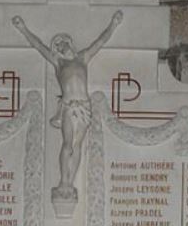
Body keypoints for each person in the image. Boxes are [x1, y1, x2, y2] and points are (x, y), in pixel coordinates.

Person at [11, 11, 123, 205]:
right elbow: (38, 45)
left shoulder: (83, 58)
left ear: (70, 43)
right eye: (57, 45)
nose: (61, 45)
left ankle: (70, 182)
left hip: (84, 107)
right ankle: (63, 179)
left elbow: (100, 42)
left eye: (63, 42)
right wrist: (23, 29)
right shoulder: (58, 63)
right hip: (69, 108)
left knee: (78, 146)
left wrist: (113, 24)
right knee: (67, 143)